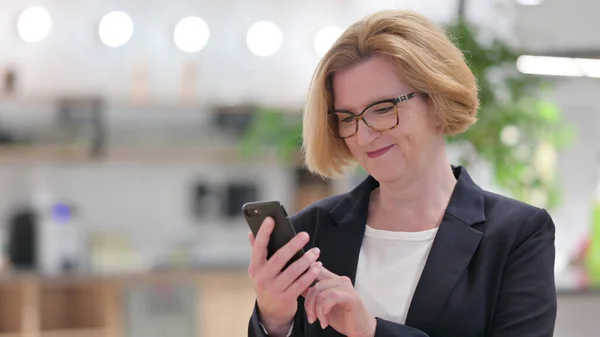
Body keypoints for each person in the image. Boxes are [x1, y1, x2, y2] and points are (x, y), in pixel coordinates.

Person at [247, 9, 557, 337]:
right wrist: (275, 321)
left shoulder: (517, 235)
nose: (363, 136)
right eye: (348, 118)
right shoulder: (311, 232)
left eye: (383, 109)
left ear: (438, 103)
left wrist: (371, 331)